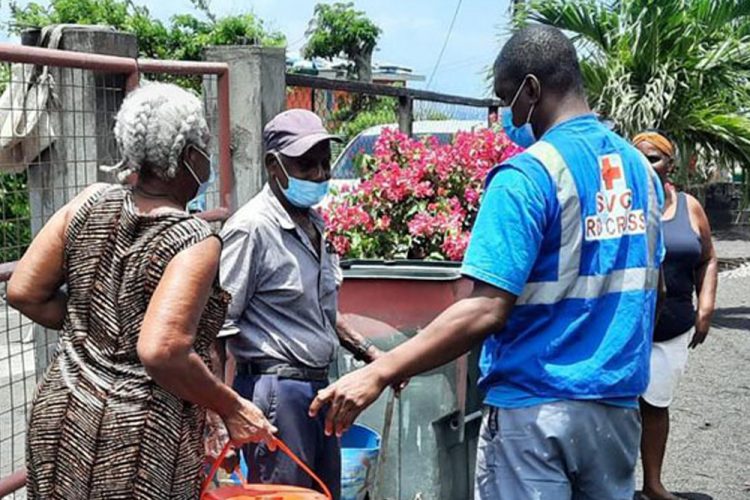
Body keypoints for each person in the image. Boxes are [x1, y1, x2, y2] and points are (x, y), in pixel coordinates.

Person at [310, 25, 665, 500]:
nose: (507, 115)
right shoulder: (642, 172)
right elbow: (649, 289)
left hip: (536, 413)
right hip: (615, 411)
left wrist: (380, 370)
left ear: (532, 89)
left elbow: (485, 308)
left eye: (506, 98)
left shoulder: (529, 174)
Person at [7, 82, 276, 499]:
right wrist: (231, 406)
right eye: (204, 145)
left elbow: (25, 291)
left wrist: (95, 320)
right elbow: (162, 351)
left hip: (61, 415)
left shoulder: (88, 203)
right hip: (137, 439)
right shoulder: (192, 239)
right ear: (189, 156)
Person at [217, 109, 382, 499]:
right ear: (274, 166)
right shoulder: (251, 228)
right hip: (275, 391)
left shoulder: (313, 224)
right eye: (307, 166)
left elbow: (319, 312)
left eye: (325, 164)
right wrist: (220, 412)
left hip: (316, 390)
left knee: (322, 493)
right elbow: (218, 325)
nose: (321, 175)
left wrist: (370, 353)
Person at [633, 131, 718, 500]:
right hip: (626, 329)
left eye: (654, 158)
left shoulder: (690, 206)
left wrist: (707, 307)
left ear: (670, 164)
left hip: (672, 329)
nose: (647, 165)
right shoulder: (622, 204)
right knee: (617, 408)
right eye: (638, 158)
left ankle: (653, 484)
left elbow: (708, 257)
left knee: (655, 406)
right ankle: (611, 485)